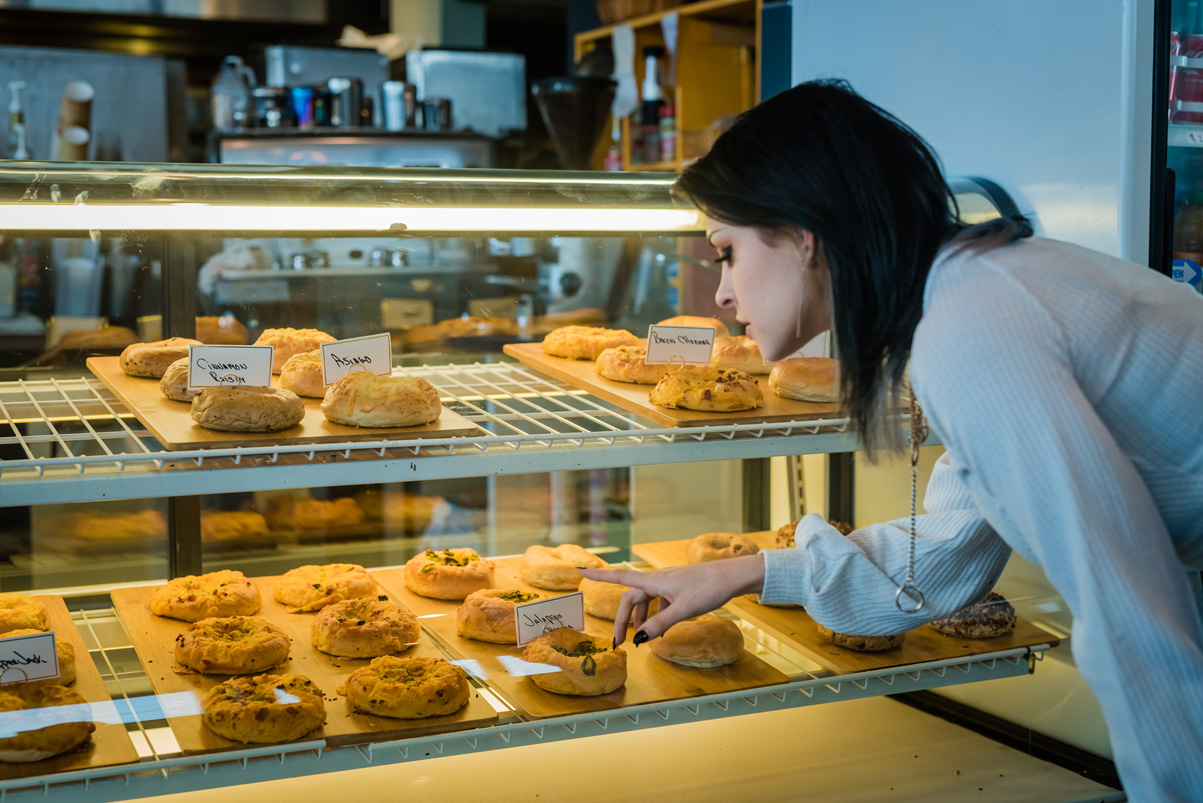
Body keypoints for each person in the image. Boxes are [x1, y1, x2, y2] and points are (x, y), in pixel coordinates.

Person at [580, 80, 1203, 802]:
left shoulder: (972, 328)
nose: (720, 292)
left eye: (725, 250)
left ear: (802, 236)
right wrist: (745, 572)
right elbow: (940, 552)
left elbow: (1130, 617)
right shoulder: (962, 303)